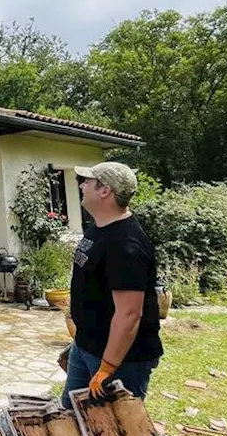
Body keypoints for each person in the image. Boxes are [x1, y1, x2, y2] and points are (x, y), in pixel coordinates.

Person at [60, 161, 163, 408]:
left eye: (87, 181)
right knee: (70, 419)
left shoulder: (126, 245)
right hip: (86, 347)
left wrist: (107, 367)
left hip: (120, 361)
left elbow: (129, 315)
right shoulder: (99, 228)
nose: (82, 186)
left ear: (104, 191)